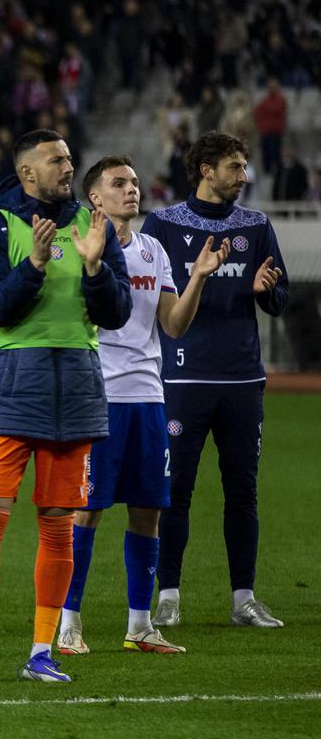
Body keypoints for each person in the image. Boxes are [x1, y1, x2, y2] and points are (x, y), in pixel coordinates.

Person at [0, 129, 131, 683]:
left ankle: (41, 652)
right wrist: (36, 264)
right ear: (26, 173)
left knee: (57, 529)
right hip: (9, 389)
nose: (68, 166)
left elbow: (116, 314)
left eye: (69, 157)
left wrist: (94, 267)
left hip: (76, 390)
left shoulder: (93, 227)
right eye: (56, 159)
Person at [57, 155, 229, 657]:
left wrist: (197, 276)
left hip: (149, 398)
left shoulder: (153, 250)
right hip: (99, 397)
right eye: (118, 183)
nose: (131, 190)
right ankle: (69, 623)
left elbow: (173, 324)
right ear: (95, 198)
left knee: (149, 511)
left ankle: (140, 626)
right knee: (86, 512)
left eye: (134, 181)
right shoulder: (78, 245)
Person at [141, 132, 289, 629]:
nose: (243, 176)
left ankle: (243, 599)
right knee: (174, 491)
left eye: (245, 167)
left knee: (242, 491)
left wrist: (266, 292)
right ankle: (169, 596)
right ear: (206, 169)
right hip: (181, 379)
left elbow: (280, 296)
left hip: (243, 379)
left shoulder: (256, 226)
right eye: (235, 167)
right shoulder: (162, 225)